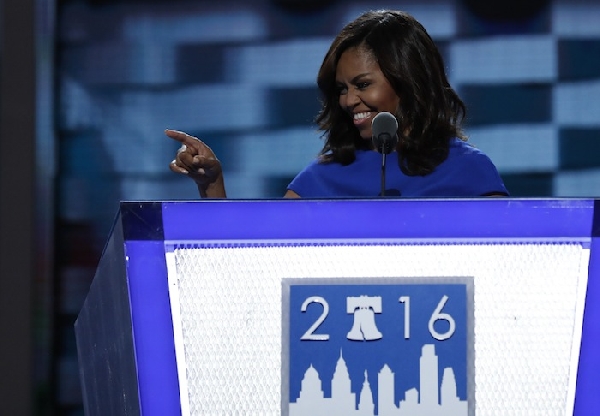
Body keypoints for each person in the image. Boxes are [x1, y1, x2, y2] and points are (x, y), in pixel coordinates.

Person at [167, 9, 509, 198]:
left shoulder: (470, 172)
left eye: (362, 84)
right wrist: (212, 184)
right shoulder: (323, 179)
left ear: (410, 81)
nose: (348, 100)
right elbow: (251, 264)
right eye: (342, 88)